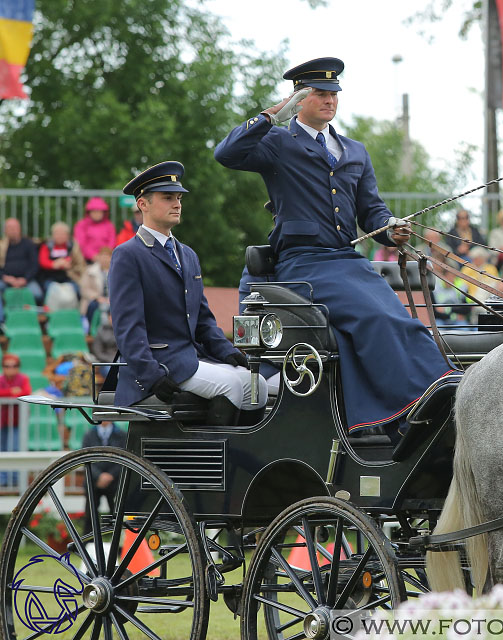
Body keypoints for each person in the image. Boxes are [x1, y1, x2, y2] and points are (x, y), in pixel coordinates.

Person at [214, 57, 452, 435]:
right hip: (302, 263)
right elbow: (226, 153)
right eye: (321, 94)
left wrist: (391, 230)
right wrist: (272, 115)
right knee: (375, 318)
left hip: (347, 261)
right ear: (299, 98)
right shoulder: (277, 142)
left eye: (334, 94)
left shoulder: (354, 150)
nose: (330, 100)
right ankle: (413, 409)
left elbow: (372, 211)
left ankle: (441, 393)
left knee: (401, 319)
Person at [110, 161, 267, 426]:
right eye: (168, 197)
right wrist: (152, 375)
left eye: (179, 198)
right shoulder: (128, 255)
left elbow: (203, 319)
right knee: (232, 385)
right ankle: (216, 464)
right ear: (143, 204)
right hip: (161, 363)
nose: (177, 204)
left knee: (257, 385)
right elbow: (128, 328)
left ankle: (242, 463)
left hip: (191, 358)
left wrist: (228, 352)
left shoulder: (188, 255)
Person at [80, 420, 126, 534]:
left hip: (115, 482)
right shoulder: (89, 434)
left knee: (117, 514)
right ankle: (87, 542)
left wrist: (110, 475)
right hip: (94, 481)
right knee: (90, 514)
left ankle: (119, 545)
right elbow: (84, 458)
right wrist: (99, 476)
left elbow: (125, 458)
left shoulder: (121, 435)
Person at [0, 354, 30, 487]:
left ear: (18, 367)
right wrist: (12, 392)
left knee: (17, 449)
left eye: (14, 366)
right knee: (2, 450)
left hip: (18, 422)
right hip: (2, 422)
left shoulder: (23, 379)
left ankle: (16, 481)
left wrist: (7, 392)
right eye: (7, 366)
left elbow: (26, 392)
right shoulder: (1, 379)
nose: (10, 369)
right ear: (3, 367)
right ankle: (3, 481)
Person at [38, 221, 84, 304]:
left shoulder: (73, 246)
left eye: (63, 234)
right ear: (53, 235)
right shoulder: (47, 245)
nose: (60, 236)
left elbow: (80, 263)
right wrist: (55, 264)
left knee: (77, 290)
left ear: (67, 236)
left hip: (69, 276)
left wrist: (67, 264)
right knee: (48, 291)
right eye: (57, 234)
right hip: (50, 278)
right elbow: (43, 261)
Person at [0, 217, 43, 306]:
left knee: (37, 294)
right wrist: (5, 277)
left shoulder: (29, 244)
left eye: (15, 228)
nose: (12, 230)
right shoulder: (1, 246)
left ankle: (35, 316)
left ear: (19, 229)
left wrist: (25, 279)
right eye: (10, 228)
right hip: (5, 279)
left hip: (26, 280)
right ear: (5, 231)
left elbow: (35, 265)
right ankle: (2, 317)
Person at [73, 197, 117, 263]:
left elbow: (112, 242)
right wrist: (93, 256)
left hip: (106, 260)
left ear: (103, 213)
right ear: (89, 212)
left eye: (99, 211)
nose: (97, 214)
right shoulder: (81, 225)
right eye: (94, 211)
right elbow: (81, 243)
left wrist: (105, 255)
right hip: (86, 260)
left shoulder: (109, 225)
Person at [80, 246, 112, 330]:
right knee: (93, 306)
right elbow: (84, 289)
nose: (105, 259)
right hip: (94, 300)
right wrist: (97, 297)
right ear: (99, 257)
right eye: (103, 257)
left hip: (111, 300)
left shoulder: (117, 272)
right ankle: (91, 328)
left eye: (107, 257)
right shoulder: (89, 271)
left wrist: (111, 299)